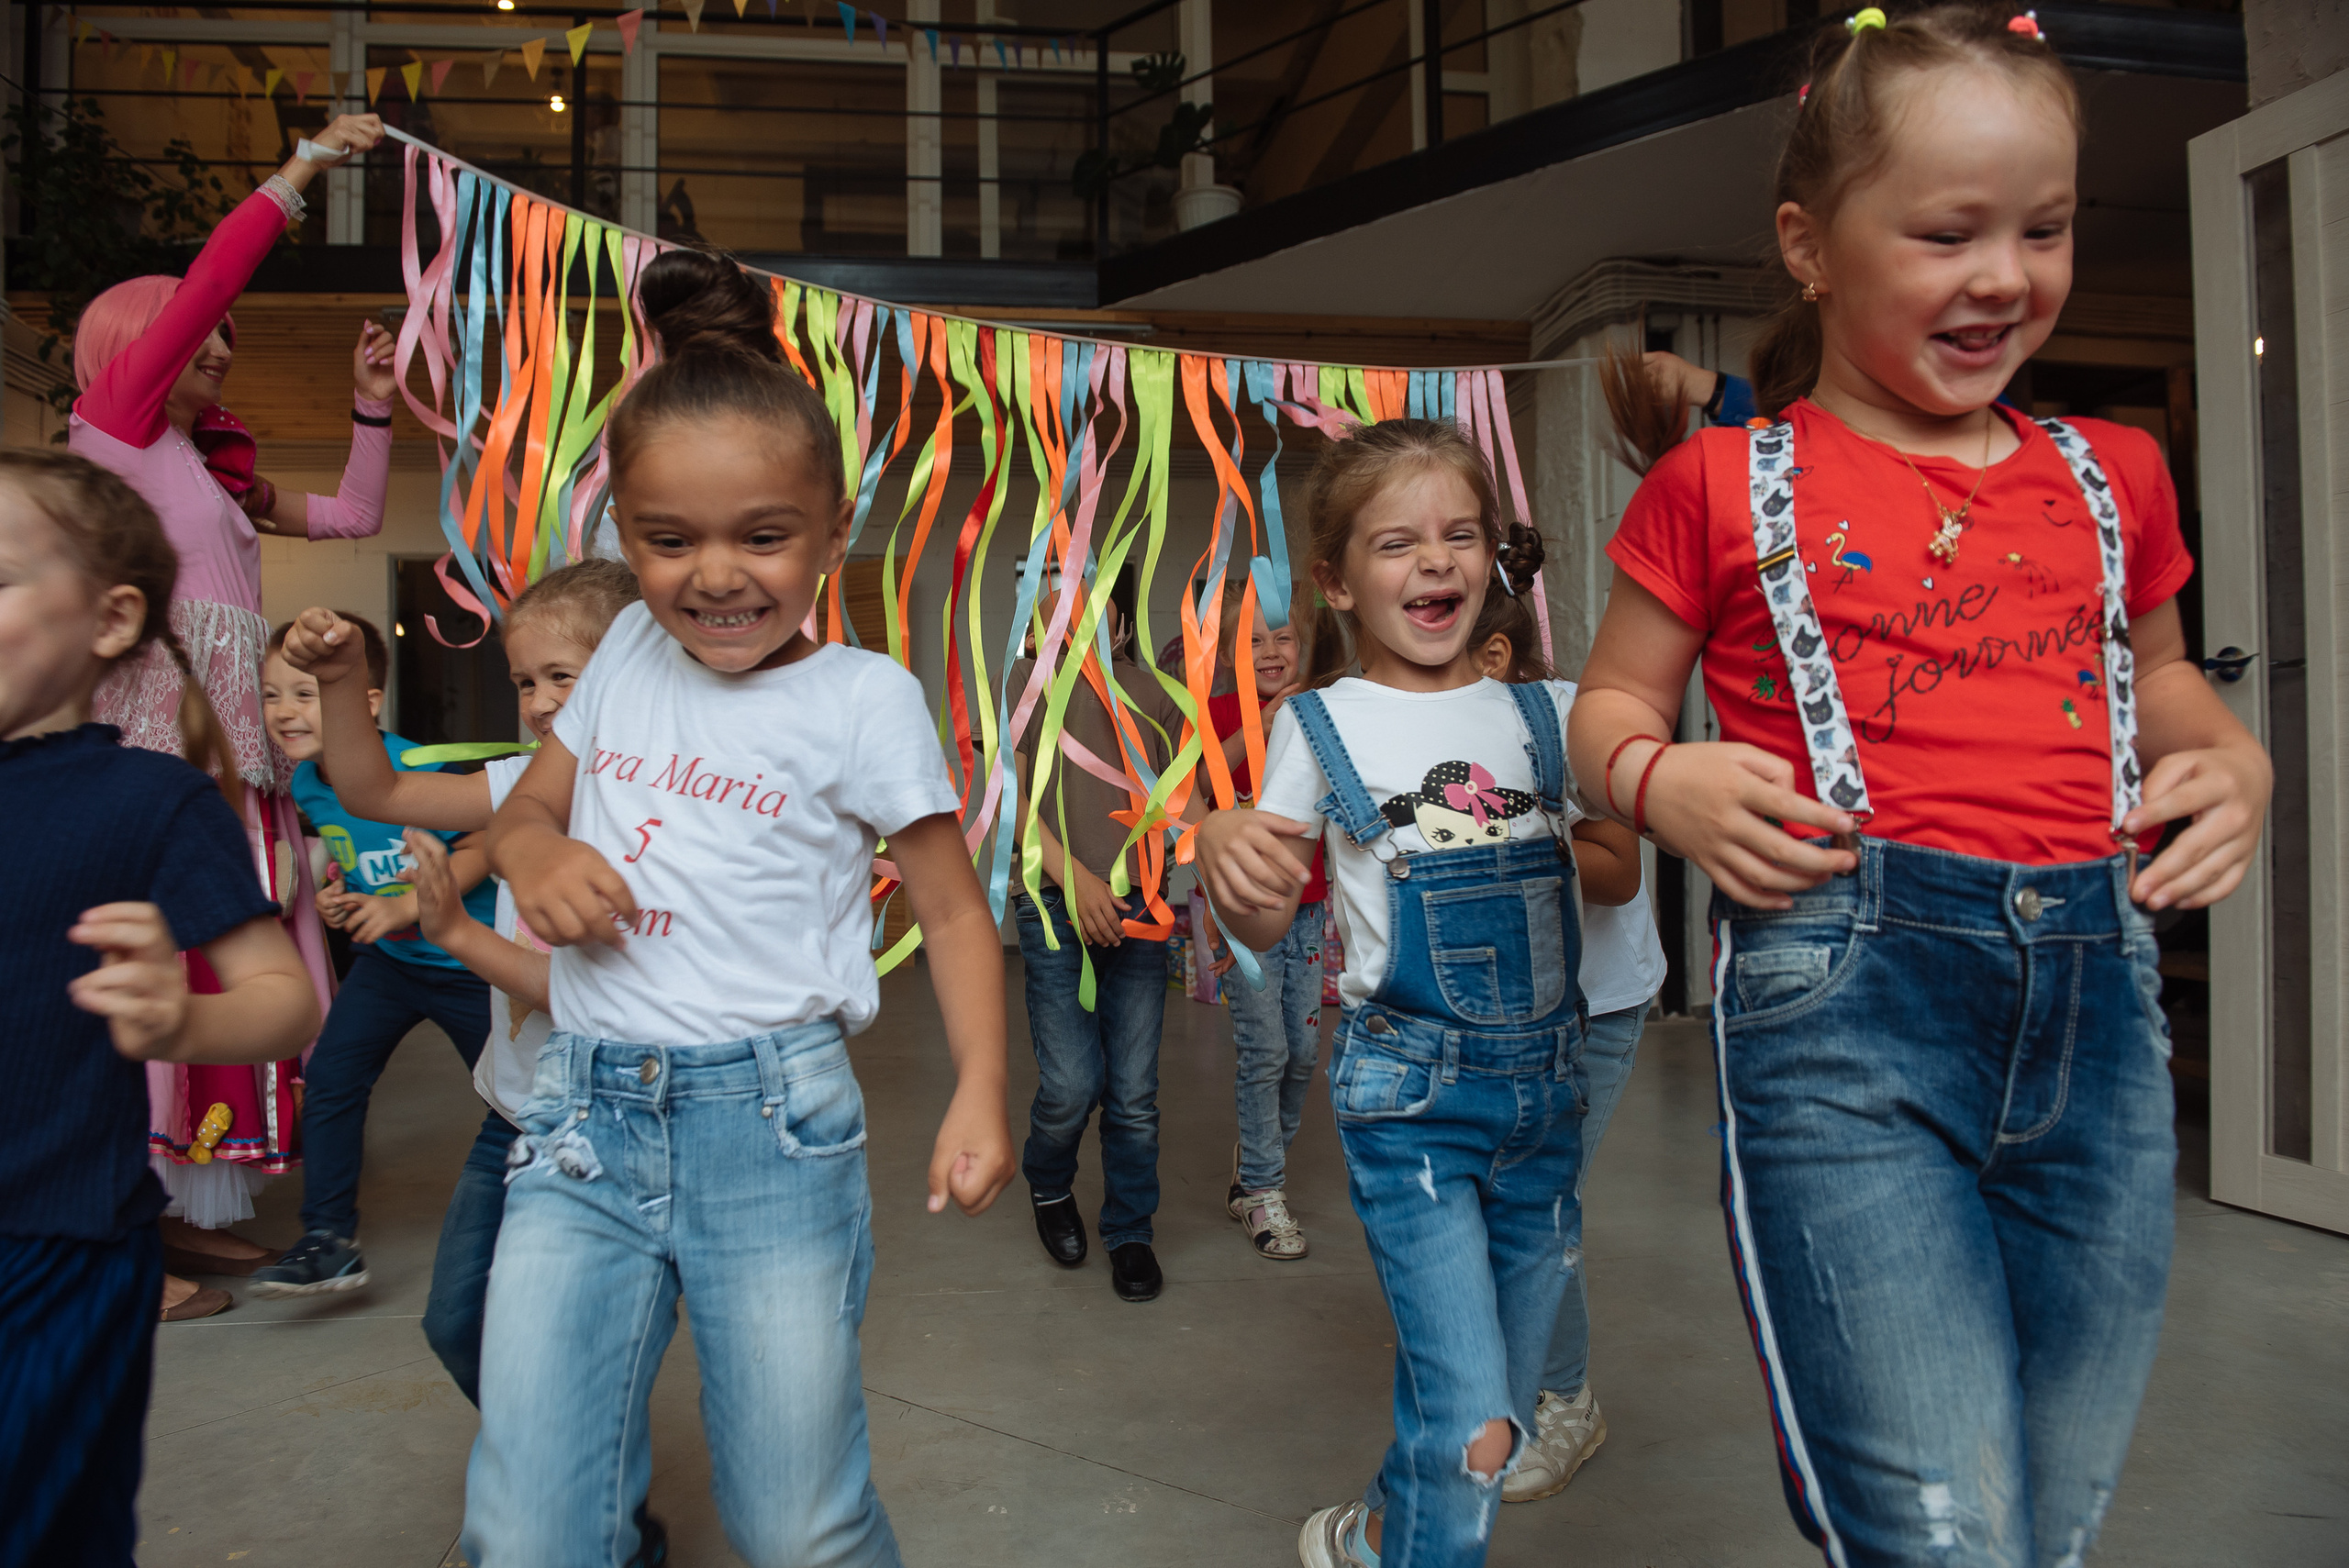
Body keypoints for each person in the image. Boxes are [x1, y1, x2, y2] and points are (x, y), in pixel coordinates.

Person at [1567, 7, 2271, 1563]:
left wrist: (2229, 751)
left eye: (2047, 226)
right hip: (1849, 1016)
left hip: (2104, 1021)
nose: (2007, 273)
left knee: (2045, 1517)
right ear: (1810, 246)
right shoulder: (1721, 484)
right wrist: (1655, 769)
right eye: (1950, 231)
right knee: (1941, 1534)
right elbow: (1608, 697)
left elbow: (2153, 677)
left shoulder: (2115, 473)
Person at [466, 247, 1015, 1568]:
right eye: (671, 539)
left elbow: (947, 910)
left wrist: (983, 1088)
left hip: (770, 1128)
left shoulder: (861, 700)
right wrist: (533, 856)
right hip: (580, 1126)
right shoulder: (626, 660)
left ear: (832, 531)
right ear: (627, 533)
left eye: (764, 535)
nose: (718, 575)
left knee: (797, 1525)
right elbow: (525, 813)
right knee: (527, 1527)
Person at [1197, 419, 1587, 1568]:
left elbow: (1610, 868)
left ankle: (1372, 1530)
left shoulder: (1546, 713)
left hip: (1545, 1106)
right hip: (1409, 1102)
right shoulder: (1320, 722)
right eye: (1397, 543)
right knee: (1474, 1431)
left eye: (1460, 535)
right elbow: (1264, 916)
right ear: (1336, 580)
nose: (1435, 562)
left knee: (1494, 1421)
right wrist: (1226, 844)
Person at [67, 111, 391, 1312]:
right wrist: (302, 171)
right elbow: (209, 281)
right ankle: (118, 1237)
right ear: (135, 348)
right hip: (156, 742)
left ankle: (173, 1214)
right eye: (195, 337)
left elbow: (356, 518)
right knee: (159, 970)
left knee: (239, 967)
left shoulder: (207, 474)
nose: (220, 347)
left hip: (232, 747)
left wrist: (369, 404)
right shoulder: (112, 435)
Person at [0, 450, 320, 1563]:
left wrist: (182, 1023)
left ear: (111, 616)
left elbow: (282, 1002)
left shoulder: (151, 797)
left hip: (56, 1245)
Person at [277, 559, 641, 1405]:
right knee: (458, 1323)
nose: (541, 700)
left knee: (585, 1329)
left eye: (563, 676)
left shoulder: (654, 809)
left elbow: (586, 994)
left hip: (614, 1112)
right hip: (516, 1106)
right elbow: (376, 787)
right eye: (524, 680)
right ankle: (569, 1473)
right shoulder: (522, 779)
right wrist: (339, 681)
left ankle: (586, 1496)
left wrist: (451, 933)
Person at [1463, 592, 1665, 1504]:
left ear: (1498, 652)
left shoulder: (1574, 722)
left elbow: (1619, 874)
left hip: (1595, 1008)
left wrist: (1508, 840)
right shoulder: (1434, 730)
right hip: (1498, 1012)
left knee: (1535, 1203)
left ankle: (1566, 1398)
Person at [246, 617, 497, 1298]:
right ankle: (329, 1239)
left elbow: (486, 844)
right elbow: (357, 862)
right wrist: (342, 896)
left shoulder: (419, 769)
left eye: (306, 693)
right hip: (389, 965)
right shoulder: (307, 785)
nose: (286, 712)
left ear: (368, 700)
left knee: (518, 1097)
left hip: (469, 967)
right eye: (272, 695)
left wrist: (411, 905)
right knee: (330, 1080)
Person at [1008, 568, 1181, 1301]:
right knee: (1073, 1082)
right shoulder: (1023, 679)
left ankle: (1130, 1229)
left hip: (1139, 908)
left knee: (1133, 1091)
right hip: (1053, 904)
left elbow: (1176, 802)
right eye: (1054, 612)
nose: (1070, 621)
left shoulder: (1153, 695)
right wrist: (1075, 878)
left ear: (1117, 623)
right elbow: (1011, 798)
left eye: (1088, 607)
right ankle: (1049, 1182)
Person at [1193, 584, 1328, 1260]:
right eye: (1253, 640)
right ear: (1228, 654)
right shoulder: (1217, 712)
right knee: (1264, 1049)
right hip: (1244, 910)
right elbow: (1190, 794)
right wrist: (1259, 726)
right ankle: (1265, 1188)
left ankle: (1255, 1168)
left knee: (1302, 1054)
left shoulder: (1322, 712)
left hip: (1308, 907)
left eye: (1283, 637)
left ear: (1305, 645)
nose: (1270, 651)